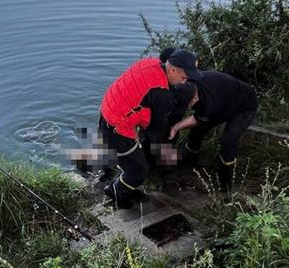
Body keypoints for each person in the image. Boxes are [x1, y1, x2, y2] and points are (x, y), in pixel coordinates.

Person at [99, 49, 202, 209]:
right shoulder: (161, 94)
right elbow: (155, 127)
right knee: (139, 171)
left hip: (108, 110)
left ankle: (124, 186)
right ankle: (115, 192)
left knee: (134, 163)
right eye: (183, 77)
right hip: (116, 129)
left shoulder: (151, 63)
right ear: (172, 69)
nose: (184, 82)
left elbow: (142, 97)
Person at [168, 70, 258, 192]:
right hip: (225, 97)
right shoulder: (186, 80)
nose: (187, 108)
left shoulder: (210, 103)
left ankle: (225, 183)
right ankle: (189, 160)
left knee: (228, 141)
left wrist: (175, 127)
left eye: (188, 105)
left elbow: (198, 119)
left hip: (244, 105)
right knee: (196, 132)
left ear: (194, 98)